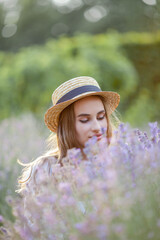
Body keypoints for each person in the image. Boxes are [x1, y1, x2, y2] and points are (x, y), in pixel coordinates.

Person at [17, 76, 120, 193]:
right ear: (67, 127)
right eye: (85, 120)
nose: (97, 127)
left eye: (101, 117)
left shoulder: (120, 162)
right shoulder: (45, 170)